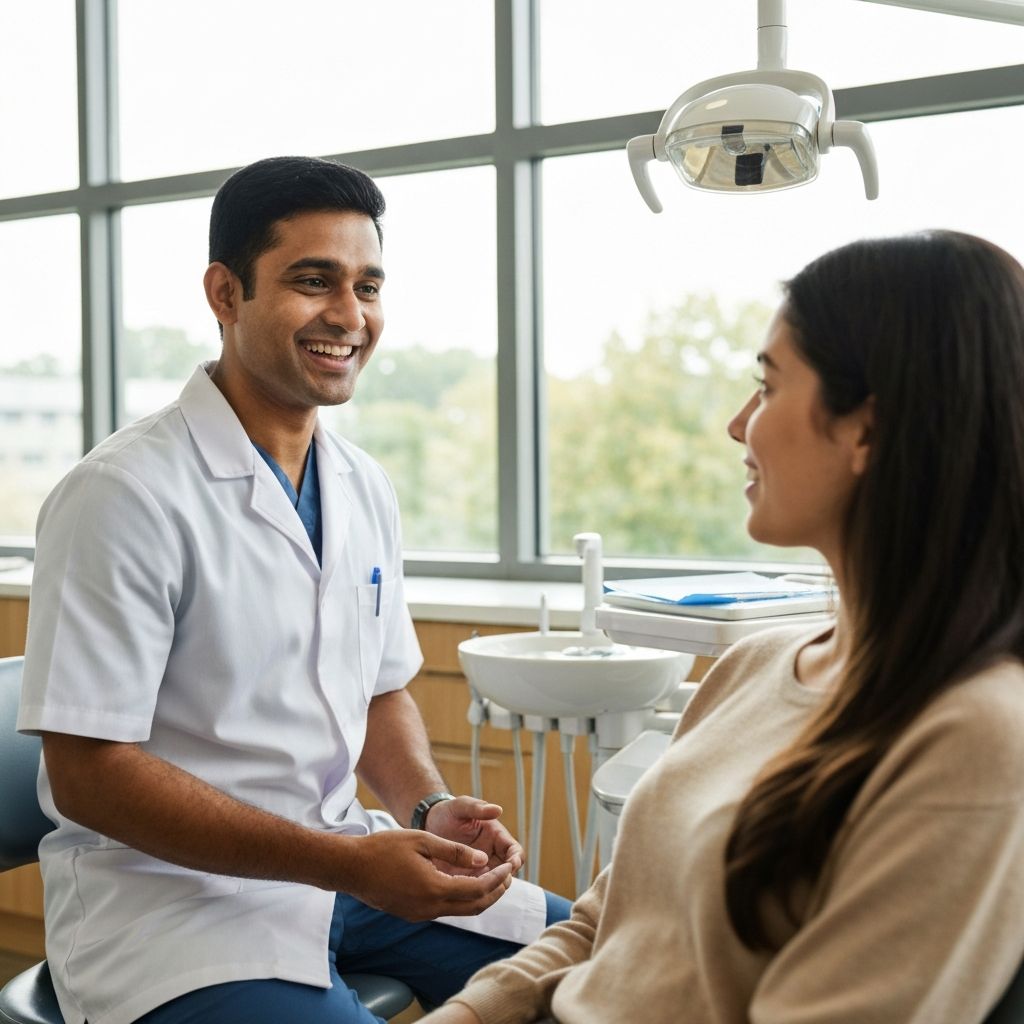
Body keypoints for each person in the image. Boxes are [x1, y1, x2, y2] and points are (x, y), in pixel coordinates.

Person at [17, 155, 569, 1024]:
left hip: (345, 865)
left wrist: (425, 806)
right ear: (225, 293)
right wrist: (345, 863)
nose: (349, 316)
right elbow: (87, 776)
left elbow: (381, 690)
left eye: (368, 285)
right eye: (313, 282)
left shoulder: (361, 484)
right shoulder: (120, 495)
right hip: (172, 909)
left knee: (612, 962)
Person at [423, 229, 1024, 1024]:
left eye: (769, 387)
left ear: (866, 430)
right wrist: (467, 1014)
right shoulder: (756, 666)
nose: (739, 425)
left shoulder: (974, 736)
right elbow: (607, 923)